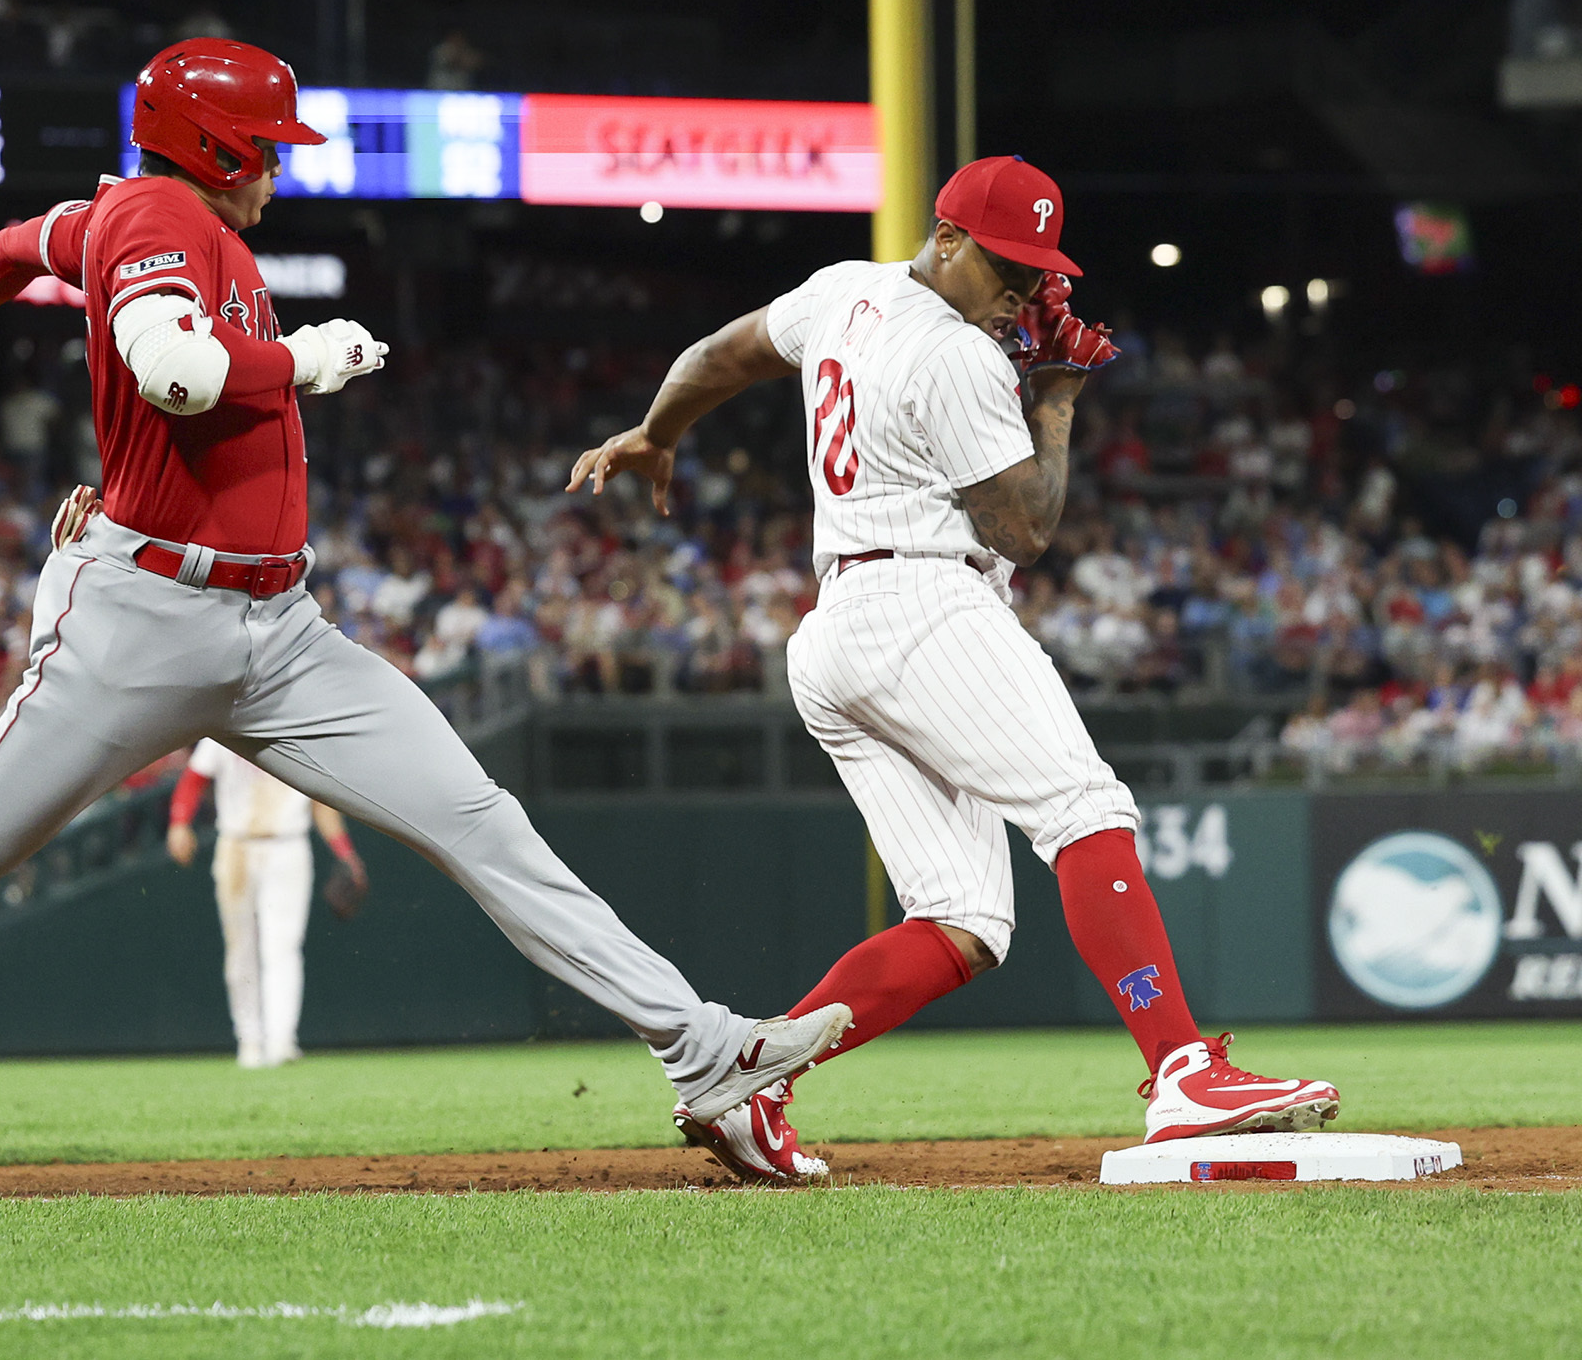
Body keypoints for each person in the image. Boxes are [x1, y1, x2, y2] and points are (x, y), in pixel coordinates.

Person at [0, 39, 850, 1167]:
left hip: (281, 631)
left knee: (478, 816)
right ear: (215, 146)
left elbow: (26, 241)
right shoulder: (156, 216)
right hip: (147, 614)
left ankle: (703, 1053)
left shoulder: (139, 219)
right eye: (266, 150)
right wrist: (314, 355)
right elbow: (179, 373)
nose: (278, 171)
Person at [569, 156, 1342, 1178]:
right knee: (1083, 807)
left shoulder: (842, 289)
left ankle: (747, 1082)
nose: (1021, 287)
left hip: (838, 628)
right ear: (946, 237)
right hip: (926, 602)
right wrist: (1058, 402)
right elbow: (1022, 530)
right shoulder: (961, 359)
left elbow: (724, 353)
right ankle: (1181, 1070)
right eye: (1005, 262)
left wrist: (656, 432)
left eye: (1035, 268)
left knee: (968, 923)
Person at [167, 738, 367, 1068]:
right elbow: (194, 778)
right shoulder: (227, 727)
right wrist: (178, 822)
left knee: (283, 945)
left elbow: (320, 803)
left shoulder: (300, 734)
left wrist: (345, 851)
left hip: (287, 846)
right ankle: (250, 1042)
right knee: (240, 948)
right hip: (236, 845)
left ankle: (281, 1041)